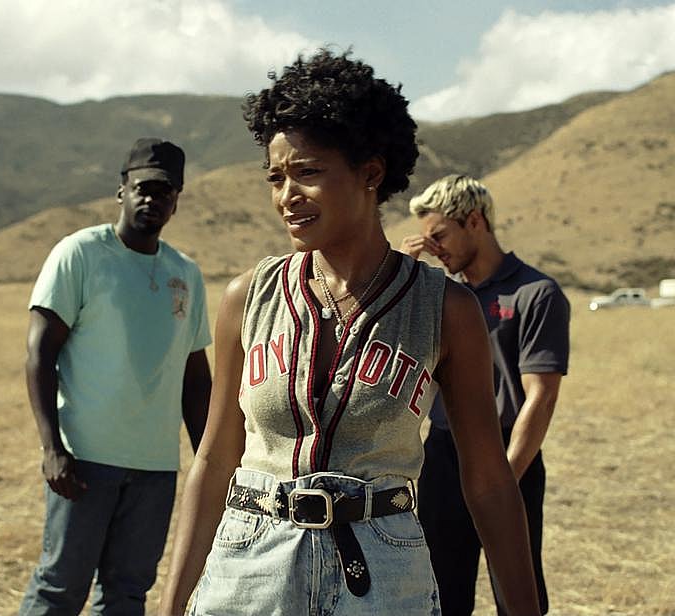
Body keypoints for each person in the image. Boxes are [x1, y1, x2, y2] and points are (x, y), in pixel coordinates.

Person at [159, 50, 541, 616]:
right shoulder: (249, 297)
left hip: (383, 573)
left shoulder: (445, 309)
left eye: (308, 172)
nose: (286, 195)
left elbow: (487, 478)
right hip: (250, 566)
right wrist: (171, 605)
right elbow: (215, 460)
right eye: (276, 177)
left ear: (371, 172)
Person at [18, 137, 212, 616]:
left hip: (155, 467)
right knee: (60, 588)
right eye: (143, 188)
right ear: (121, 190)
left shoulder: (185, 274)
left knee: (127, 594)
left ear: (177, 200)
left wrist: (208, 462)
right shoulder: (80, 254)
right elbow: (40, 353)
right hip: (85, 461)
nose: (153, 199)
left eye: (165, 191)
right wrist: (52, 449)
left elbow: (195, 381)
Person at [401, 175, 569, 616]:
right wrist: (403, 277)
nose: (434, 249)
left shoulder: (536, 293)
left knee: (517, 597)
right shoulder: (441, 298)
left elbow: (541, 397)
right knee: (438, 595)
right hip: (443, 455)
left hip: (508, 454)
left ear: (474, 222)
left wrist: (501, 482)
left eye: (439, 236)